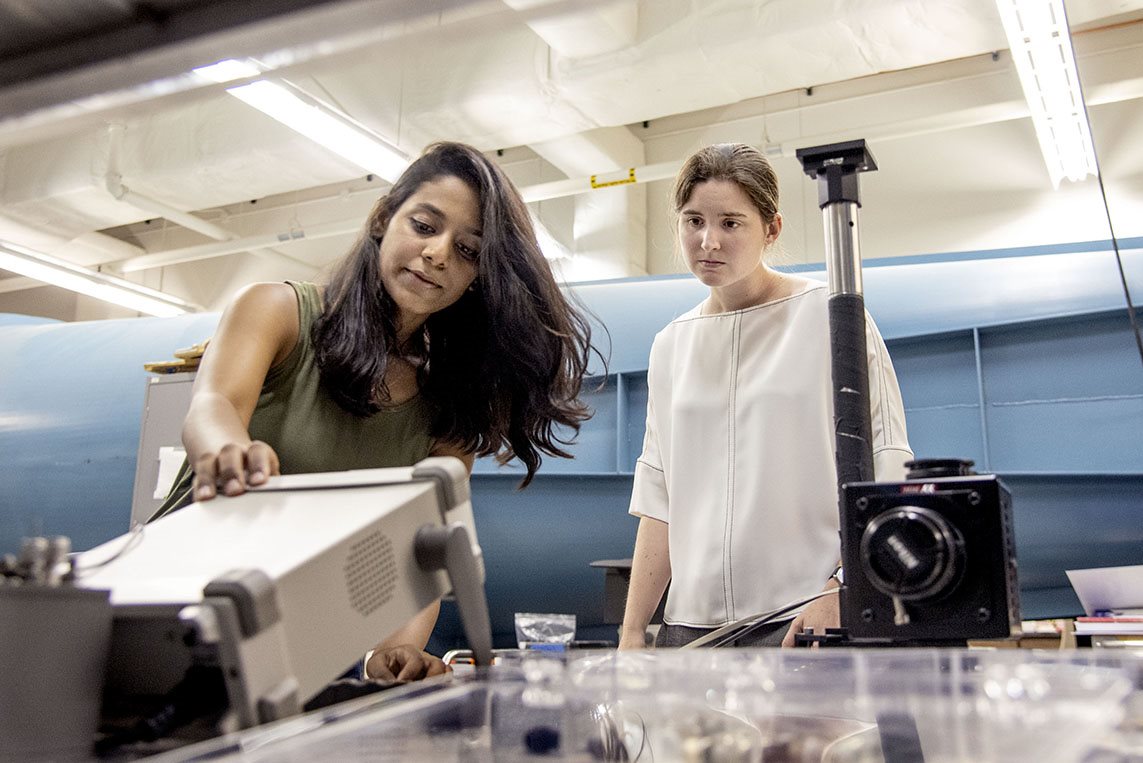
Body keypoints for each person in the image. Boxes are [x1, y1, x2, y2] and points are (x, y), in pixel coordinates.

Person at [153, 141, 596, 679]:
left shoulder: (453, 404)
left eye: (468, 250)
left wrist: (395, 653)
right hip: (172, 614)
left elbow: (422, 547)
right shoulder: (278, 310)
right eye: (426, 226)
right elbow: (213, 403)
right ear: (384, 217)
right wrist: (227, 449)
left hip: (285, 652)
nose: (438, 254)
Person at [617, 143, 912, 650]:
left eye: (730, 223)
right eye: (693, 221)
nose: (708, 240)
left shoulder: (832, 315)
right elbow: (659, 500)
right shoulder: (671, 344)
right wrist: (631, 631)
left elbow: (889, 465)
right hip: (691, 629)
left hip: (804, 616)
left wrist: (844, 583)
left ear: (770, 229)